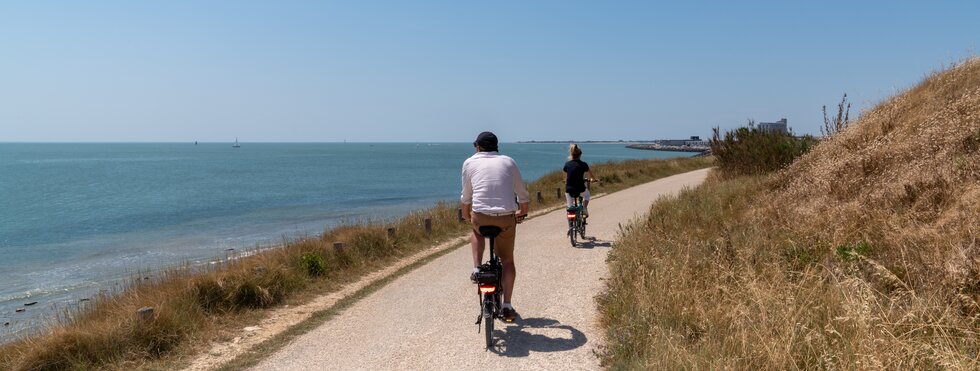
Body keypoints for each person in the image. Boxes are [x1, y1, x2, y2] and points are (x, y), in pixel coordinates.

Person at [460, 131, 530, 322]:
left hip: (481, 217)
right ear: (496, 147)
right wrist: (522, 211)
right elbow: (522, 194)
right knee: (507, 260)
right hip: (506, 217)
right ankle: (507, 305)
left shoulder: (469, 162)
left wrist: (466, 215)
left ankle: (476, 267)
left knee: (476, 230)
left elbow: (466, 196)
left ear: (478, 147)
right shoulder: (508, 161)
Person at [563, 144, 597, 217]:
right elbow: (592, 176)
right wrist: (592, 180)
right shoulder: (583, 164)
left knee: (570, 208)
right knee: (587, 195)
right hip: (580, 189)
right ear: (580, 155)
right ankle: (584, 208)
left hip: (569, 190)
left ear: (571, 154)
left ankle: (570, 225)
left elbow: (565, 178)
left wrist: (566, 181)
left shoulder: (567, 164)